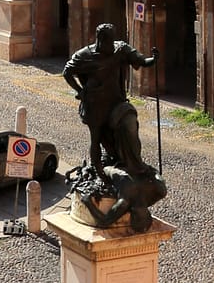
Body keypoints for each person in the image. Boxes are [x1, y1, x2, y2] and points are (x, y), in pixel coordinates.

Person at [63, 24, 156, 177]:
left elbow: (141, 61)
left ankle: (131, 162)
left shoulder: (120, 49)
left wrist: (153, 59)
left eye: (112, 41)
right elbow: (67, 72)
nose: (111, 45)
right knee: (96, 138)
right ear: (100, 40)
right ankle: (98, 170)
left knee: (129, 124)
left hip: (116, 103)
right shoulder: (84, 55)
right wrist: (80, 91)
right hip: (95, 106)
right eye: (107, 41)